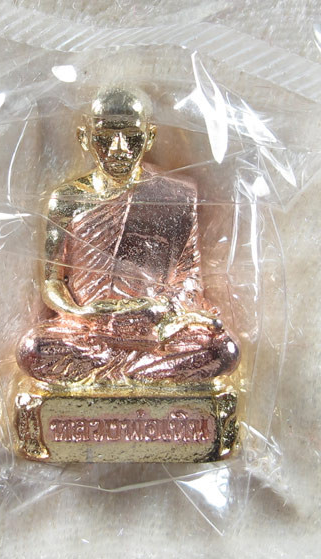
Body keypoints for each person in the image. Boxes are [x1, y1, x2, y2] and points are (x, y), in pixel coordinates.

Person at [16, 86, 240, 385]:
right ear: (85, 137)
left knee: (222, 350)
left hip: (154, 328)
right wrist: (82, 312)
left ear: (150, 137)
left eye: (131, 136)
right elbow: (52, 282)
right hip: (89, 330)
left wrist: (158, 312)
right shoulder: (67, 200)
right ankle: (140, 375)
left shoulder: (175, 195)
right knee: (33, 350)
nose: (118, 149)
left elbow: (189, 280)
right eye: (105, 136)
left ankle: (106, 375)